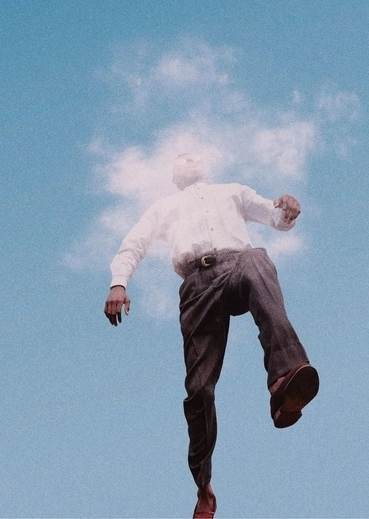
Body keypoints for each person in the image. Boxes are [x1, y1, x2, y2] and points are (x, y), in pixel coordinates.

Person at [104, 153, 319, 519]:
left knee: (257, 260)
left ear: (204, 169)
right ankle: (203, 486)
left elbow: (273, 215)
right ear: (175, 177)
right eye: (180, 161)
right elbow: (135, 243)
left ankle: (284, 380)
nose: (187, 162)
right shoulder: (164, 207)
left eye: (193, 158)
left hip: (237, 265)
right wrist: (119, 282)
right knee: (199, 389)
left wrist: (287, 211)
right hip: (196, 285)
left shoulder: (233, 191)